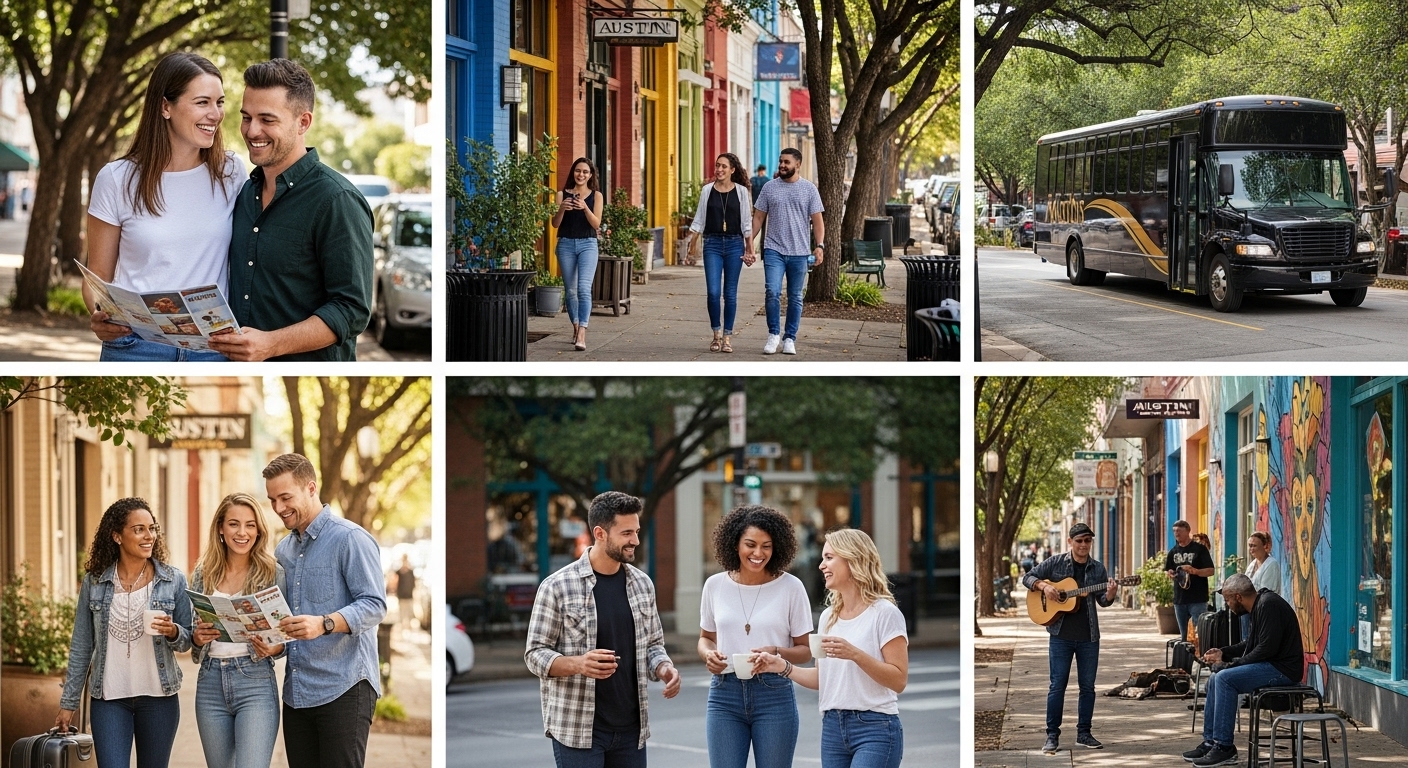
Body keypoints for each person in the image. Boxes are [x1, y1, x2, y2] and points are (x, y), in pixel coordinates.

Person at [84, 52, 246, 361]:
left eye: (219, 102)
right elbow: (97, 278)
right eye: (202, 103)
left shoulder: (231, 172)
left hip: (212, 349)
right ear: (165, 106)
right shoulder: (116, 179)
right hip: (135, 347)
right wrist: (99, 316)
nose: (215, 114)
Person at [209, 60, 373, 362]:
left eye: (267, 120)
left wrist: (271, 344)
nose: (252, 130)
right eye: (246, 117)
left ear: (303, 122)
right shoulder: (245, 194)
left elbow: (351, 309)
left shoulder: (338, 200)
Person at [525, 491, 681, 767]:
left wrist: (663, 668)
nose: (635, 540)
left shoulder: (642, 584)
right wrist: (578, 664)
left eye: (636, 531)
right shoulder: (557, 586)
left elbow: (653, 645)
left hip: (632, 729)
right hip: (578, 730)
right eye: (626, 533)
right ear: (600, 533)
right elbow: (535, 654)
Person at [260, 453, 386, 768]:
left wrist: (325, 624)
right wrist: (273, 644)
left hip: (344, 686)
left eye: (285, 497)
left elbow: (375, 605)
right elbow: (286, 620)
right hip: (297, 692)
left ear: (311, 488)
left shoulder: (350, 539)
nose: (278, 508)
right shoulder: (283, 551)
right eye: (273, 500)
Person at [753, 528, 908, 768]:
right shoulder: (828, 618)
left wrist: (854, 654)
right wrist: (781, 666)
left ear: (853, 559)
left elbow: (898, 680)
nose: (821, 566)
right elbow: (822, 678)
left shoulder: (885, 614)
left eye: (829, 557)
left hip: (875, 728)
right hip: (833, 729)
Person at [57, 498, 194, 768]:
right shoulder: (95, 582)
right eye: (139, 529)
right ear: (117, 536)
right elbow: (82, 645)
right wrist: (68, 702)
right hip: (109, 700)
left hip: (158, 699)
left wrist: (172, 632)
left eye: (152, 528)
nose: (149, 536)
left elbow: (186, 641)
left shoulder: (172, 579)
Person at [699, 506, 812, 768]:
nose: (758, 553)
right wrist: (708, 655)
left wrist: (776, 652)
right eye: (750, 544)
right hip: (724, 694)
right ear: (735, 543)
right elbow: (705, 638)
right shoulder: (714, 585)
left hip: (774, 694)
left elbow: (805, 650)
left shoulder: (791, 588)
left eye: (767, 546)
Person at [190, 493, 285, 768]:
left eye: (250, 525)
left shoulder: (273, 573)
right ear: (220, 527)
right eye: (234, 524)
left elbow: (285, 638)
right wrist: (197, 637)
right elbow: (192, 637)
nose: (242, 532)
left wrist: (274, 647)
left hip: (254, 682)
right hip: (209, 683)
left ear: (259, 530)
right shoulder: (203, 573)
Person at [1180, 574, 1303, 767]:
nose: (1227, 604)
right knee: (1215, 679)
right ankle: (1211, 741)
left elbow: (1266, 649)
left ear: (1238, 597)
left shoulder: (1268, 604)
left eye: (1228, 599)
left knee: (1224, 679)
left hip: (1283, 669)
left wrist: (1231, 665)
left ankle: (1224, 747)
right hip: (1271, 665)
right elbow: (1251, 644)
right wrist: (1224, 653)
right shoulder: (1259, 605)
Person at [1021, 522, 1118, 755]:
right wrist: (1044, 587)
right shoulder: (1056, 563)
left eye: (1087, 541)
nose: (1084, 545)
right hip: (1061, 636)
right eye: (1079, 541)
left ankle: (1084, 733)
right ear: (1070, 542)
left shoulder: (1097, 569)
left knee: (1088, 687)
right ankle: (1052, 735)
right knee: (1057, 686)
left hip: (1089, 636)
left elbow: (1102, 601)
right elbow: (1028, 577)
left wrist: (1111, 594)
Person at [750, 147, 824, 355]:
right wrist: (748, 243)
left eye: (787, 162)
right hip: (773, 249)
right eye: (781, 161)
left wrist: (820, 245)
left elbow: (818, 221)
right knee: (772, 291)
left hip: (799, 252)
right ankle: (774, 334)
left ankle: (790, 337)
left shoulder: (809, 189)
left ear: (797, 165)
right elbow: (758, 218)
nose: (782, 165)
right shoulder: (769, 188)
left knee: (795, 296)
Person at [682, 153, 755, 353]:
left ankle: (727, 337)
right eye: (717, 166)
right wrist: (691, 246)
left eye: (724, 166)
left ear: (732, 170)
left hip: (734, 244)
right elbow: (699, 219)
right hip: (712, 244)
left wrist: (750, 248)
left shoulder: (741, 192)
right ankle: (715, 334)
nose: (719, 170)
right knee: (713, 292)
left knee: (730, 293)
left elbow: (746, 222)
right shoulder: (707, 190)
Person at [550, 158, 604, 352]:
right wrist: (562, 209)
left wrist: (585, 207)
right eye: (578, 171)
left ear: (590, 175)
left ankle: (582, 332)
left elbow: (597, 224)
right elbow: (555, 224)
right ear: (573, 172)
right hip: (565, 244)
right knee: (571, 290)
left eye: (585, 172)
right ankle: (575, 325)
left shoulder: (596, 196)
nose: (581, 175)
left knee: (583, 288)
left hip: (588, 245)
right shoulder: (561, 194)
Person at [1165, 520, 1215, 642]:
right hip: (1180, 599)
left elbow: (1210, 571)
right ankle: (1185, 659)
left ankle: (1201, 657)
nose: (1176, 534)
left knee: (1199, 634)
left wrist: (1195, 571)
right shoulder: (1173, 552)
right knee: (1184, 636)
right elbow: (1168, 570)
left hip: (1197, 598)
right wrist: (1170, 574)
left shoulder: (1200, 549)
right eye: (1174, 531)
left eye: (1179, 531)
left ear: (1188, 531)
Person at [1241, 531, 1282, 638]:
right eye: (1250, 546)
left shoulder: (1271, 564)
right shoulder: (1252, 564)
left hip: (1264, 611)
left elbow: (1266, 591)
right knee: (1247, 640)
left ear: (1264, 546)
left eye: (1254, 546)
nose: (1251, 549)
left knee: (1259, 639)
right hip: (1250, 610)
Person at [394, 554, 418, 636]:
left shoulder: (411, 572)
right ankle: (403, 627)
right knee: (402, 612)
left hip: (409, 595)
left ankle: (408, 627)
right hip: (401, 595)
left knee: (409, 612)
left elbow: (414, 583)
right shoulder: (399, 572)